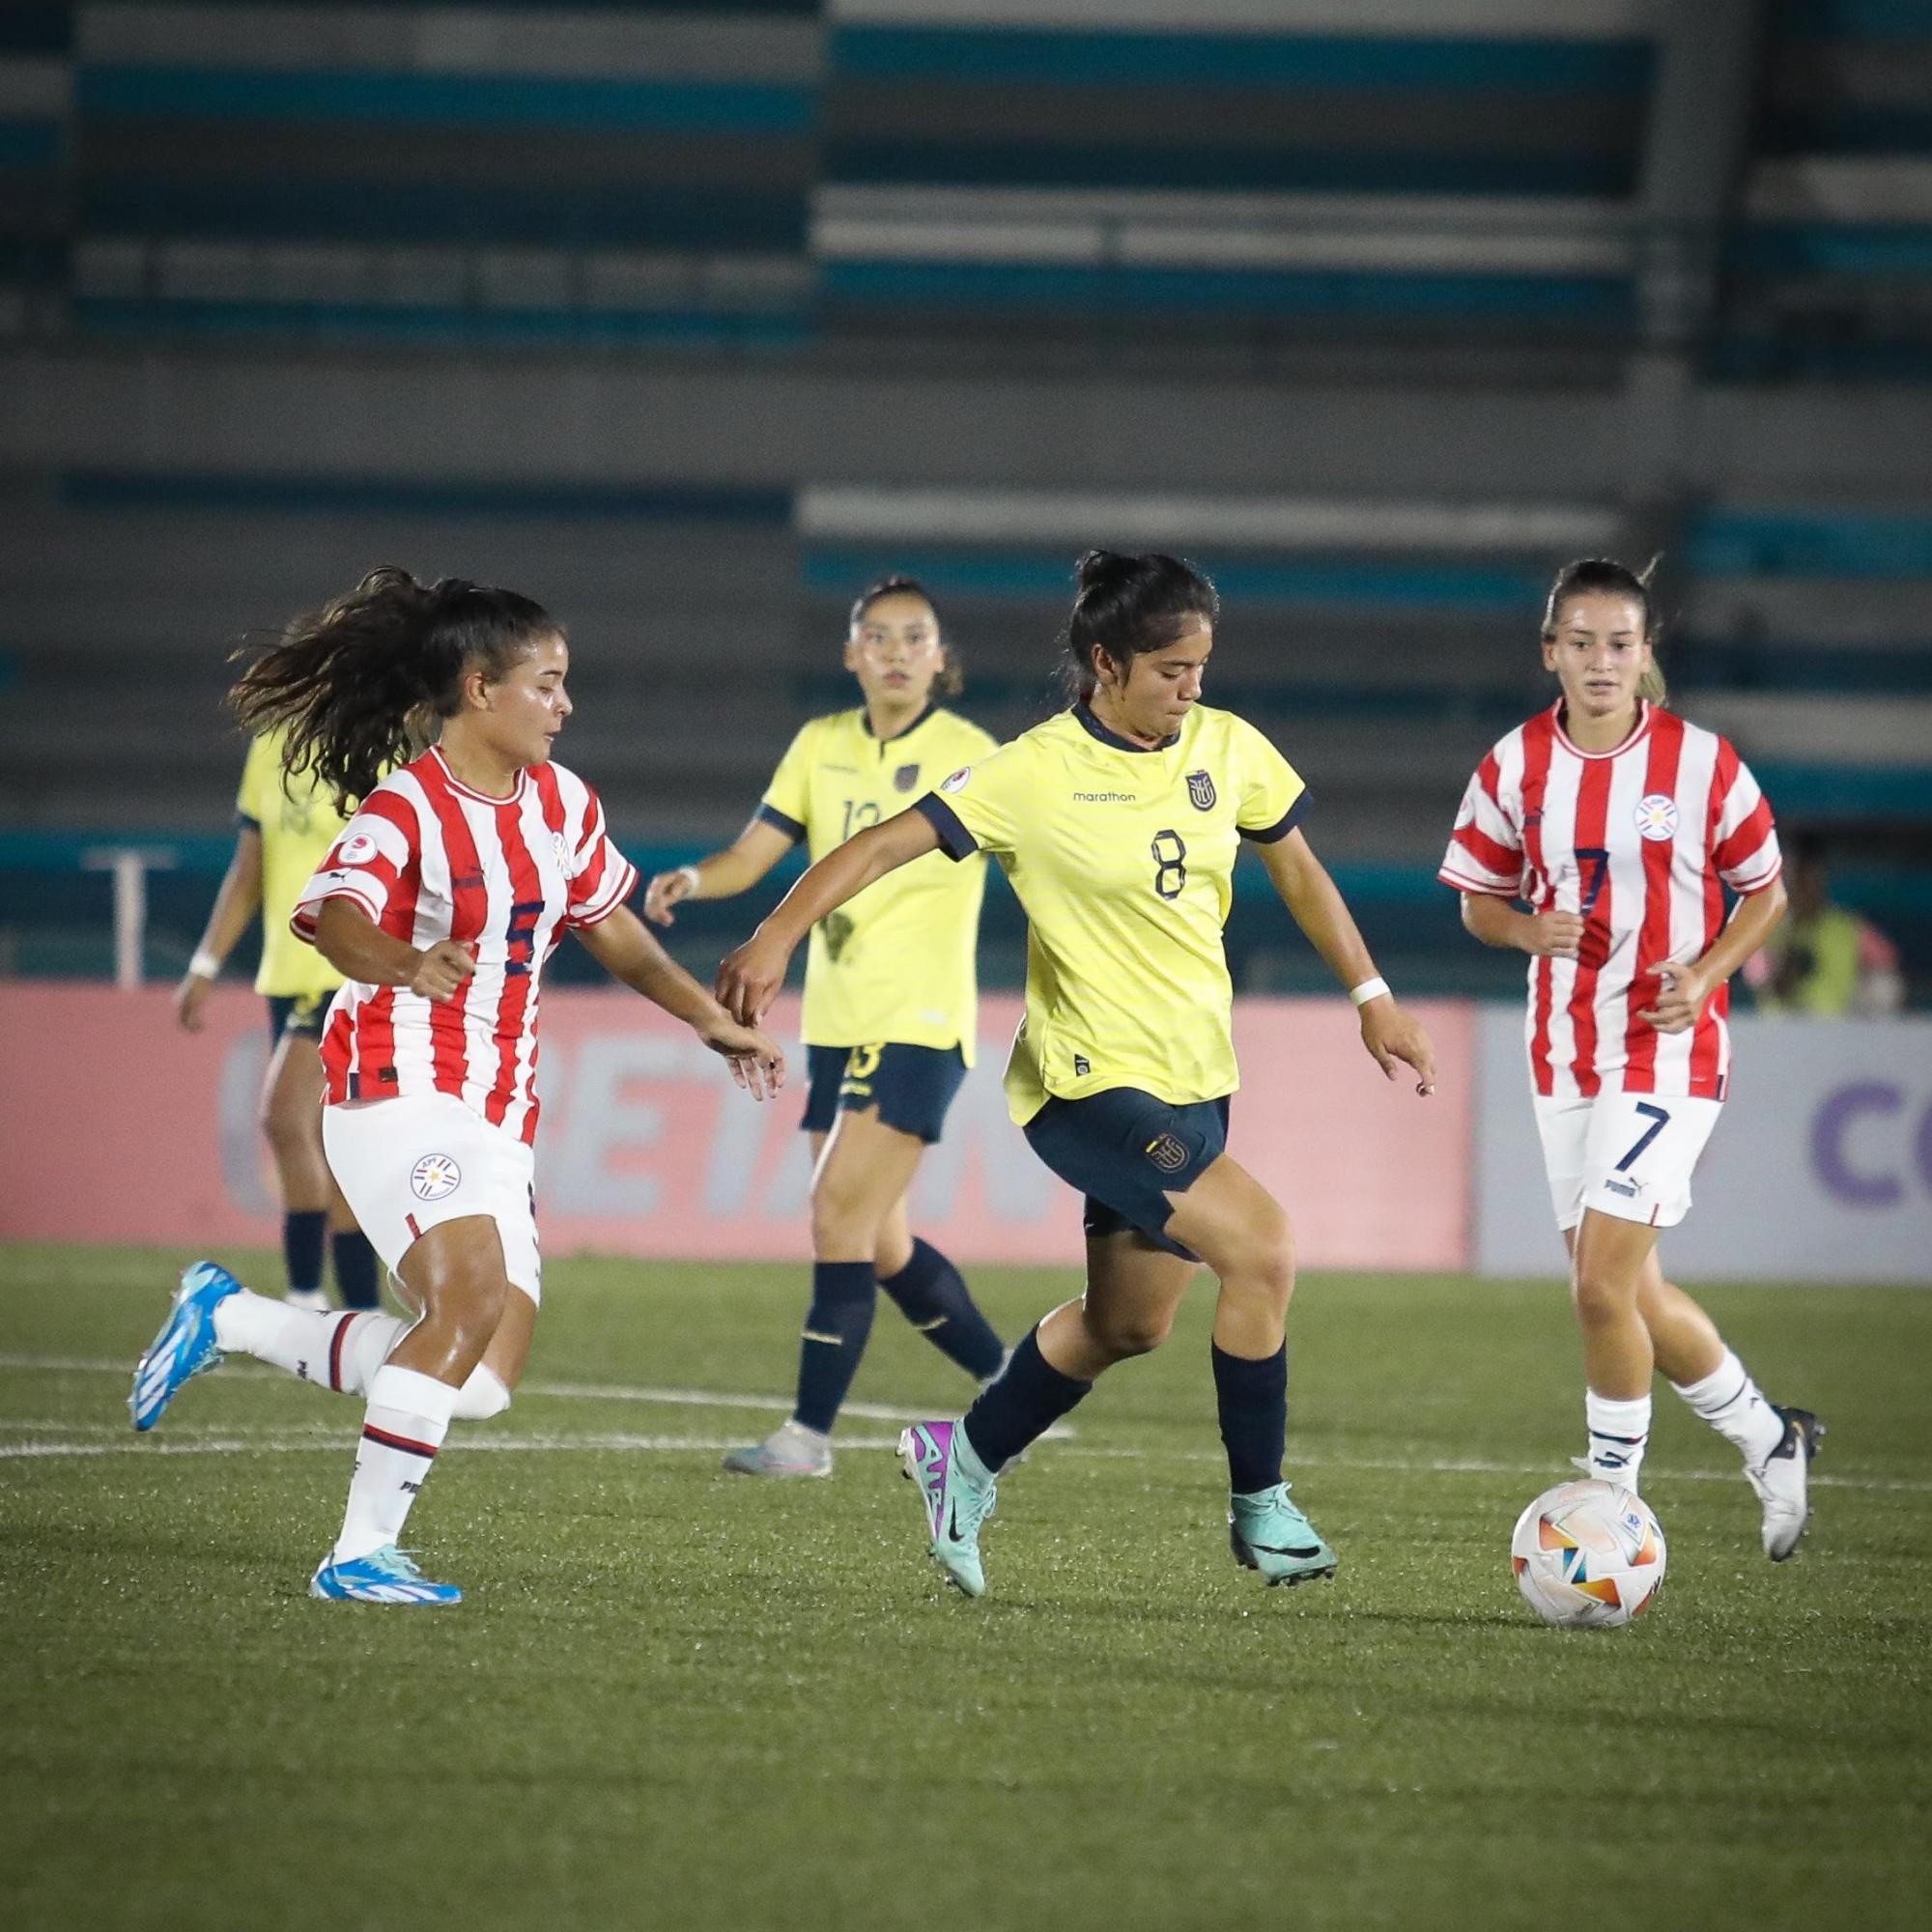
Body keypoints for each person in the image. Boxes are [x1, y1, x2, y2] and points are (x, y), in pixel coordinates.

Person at [719, 551, 1437, 1598]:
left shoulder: (1226, 748)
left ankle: (957, 1458)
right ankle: (1261, 1507)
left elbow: (1296, 868)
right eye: (1168, 670)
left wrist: (1372, 996)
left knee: (1127, 1323)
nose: (1189, 688)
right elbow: (878, 846)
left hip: (1194, 1075)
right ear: (1105, 662)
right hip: (1084, 1084)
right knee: (1264, 1248)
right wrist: (776, 931)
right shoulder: (1032, 771)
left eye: (1199, 666)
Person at [130, 567, 784, 1605]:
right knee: (466, 1297)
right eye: (548, 683)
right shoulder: (406, 809)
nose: (565, 704)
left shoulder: (563, 803)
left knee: (475, 1378)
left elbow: (609, 926)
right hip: (392, 1084)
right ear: (480, 688)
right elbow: (335, 914)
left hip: (495, 1108)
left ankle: (233, 1320)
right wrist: (401, 960)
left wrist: (709, 1020)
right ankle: (355, 1555)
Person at [1440, 556, 1821, 1559]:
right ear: (1549, 652)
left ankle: (1607, 1503)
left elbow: (1764, 892)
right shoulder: (1511, 765)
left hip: (1665, 1047)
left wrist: (1705, 973)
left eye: (1619, 642)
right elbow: (1476, 899)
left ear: (1645, 653)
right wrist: (1526, 931)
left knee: (1600, 1287)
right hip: (1561, 1054)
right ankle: (1767, 1434)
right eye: (1580, 641)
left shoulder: (1701, 763)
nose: (1600, 660)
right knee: (1634, 1290)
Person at [643, 576, 1007, 1478]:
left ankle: (807, 1438)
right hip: (838, 1028)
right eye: (875, 637)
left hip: (921, 1025)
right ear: (850, 655)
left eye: (912, 637)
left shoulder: (975, 754)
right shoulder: (820, 746)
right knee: (878, 1240)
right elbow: (753, 854)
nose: (893, 651)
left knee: (837, 1216)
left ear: (939, 657)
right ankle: (1013, 1381)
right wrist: (697, 877)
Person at [174, 726, 382, 1313]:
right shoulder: (271, 747)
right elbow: (250, 867)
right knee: (317, 1137)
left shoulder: (385, 743)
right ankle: (355, 1307)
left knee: (287, 1119)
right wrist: (206, 963)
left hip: (347, 966)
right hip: (287, 974)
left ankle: (310, 1295)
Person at [1745, 832, 1904, 1016]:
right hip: (1781, 1037)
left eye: (1810, 877)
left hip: (1835, 1036)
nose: (1804, 887)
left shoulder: (1847, 927)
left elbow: (1889, 971)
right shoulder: (1765, 930)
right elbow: (1763, 981)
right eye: (1797, 877)